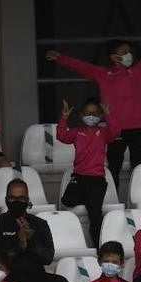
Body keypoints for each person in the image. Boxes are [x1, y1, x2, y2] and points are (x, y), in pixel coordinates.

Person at [46, 23, 141, 187]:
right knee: (113, 166)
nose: (129, 55)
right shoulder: (102, 74)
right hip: (113, 129)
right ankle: (114, 199)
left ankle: (140, 196)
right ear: (114, 57)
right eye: (125, 52)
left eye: (129, 51)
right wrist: (60, 58)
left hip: (137, 128)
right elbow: (80, 66)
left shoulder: (137, 71)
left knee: (140, 166)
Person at [0, 179, 71, 282]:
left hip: (36, 280)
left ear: (28, 200)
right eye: (12, 198)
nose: (17, 202)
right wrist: (19, 246)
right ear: (6, 200)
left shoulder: (40, 224)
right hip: (8, 280)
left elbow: (48, 258)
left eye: (21, 198)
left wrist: (31, 240)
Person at [57, 98, 121, 246]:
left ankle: (99, 248)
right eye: (87, 113)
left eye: (94, 113)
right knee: (67, 200)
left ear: (99, 116)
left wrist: (108, 114)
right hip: (78, 176)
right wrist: (64, 117)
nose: (90, 116)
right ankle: (88, 198)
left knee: (95, 216)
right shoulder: (76, 132)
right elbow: (61, 136)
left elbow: (115, 131)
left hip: (96, 179)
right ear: (81, 115)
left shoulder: (103, 132)